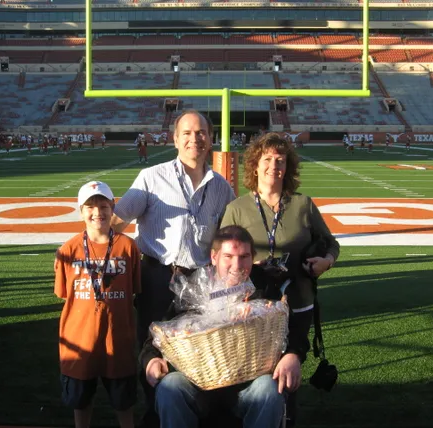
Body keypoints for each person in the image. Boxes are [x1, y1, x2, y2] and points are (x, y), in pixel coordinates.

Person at [111, 109, 235, 426]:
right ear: (175, 138)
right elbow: (117, 222)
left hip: (200, 281)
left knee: (196, 349)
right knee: (151, 349)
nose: (195, 138)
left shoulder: (222, 188)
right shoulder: (152, 178)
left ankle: (189, 410)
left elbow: (230, 238)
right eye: (187, 133)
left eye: (201, 133)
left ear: (210, 139)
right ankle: (156, 411)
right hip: (156, 275)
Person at [220, 133, 340, 423]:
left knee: (288, 371)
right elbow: (222, 257)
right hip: (253, 304)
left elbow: (331, 243)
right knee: (256, 371)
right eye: (268, 159)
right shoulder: (237, 208)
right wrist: (248, 267)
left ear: (288, 167)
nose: (274, 165)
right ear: (255, 165)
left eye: (281, 160)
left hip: (297, 302)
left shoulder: (303, 204)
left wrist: (326, 262)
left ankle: (285, 419)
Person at [141, 225, 304, 428]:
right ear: (214, 257)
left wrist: (292, 355)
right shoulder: (195, 289)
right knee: (170, 386)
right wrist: (151, 361)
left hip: (249, 385)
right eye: (228, 256)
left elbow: (295, 328)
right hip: (199, 385)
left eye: (244, 256)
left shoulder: (264, 287)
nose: (237, 265)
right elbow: (159, 333)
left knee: (269, 389)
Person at [54, 181, 141, 428]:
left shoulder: (128, 247)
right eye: (90, 207)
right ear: (80, 211)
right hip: (79, 340)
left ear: (113, 208)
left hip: (118, 339)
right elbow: (64, 294)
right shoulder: (68, 250)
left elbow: (132, 290)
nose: (97, 213)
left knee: (124, 401)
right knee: (80, 401)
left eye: (104, 205)